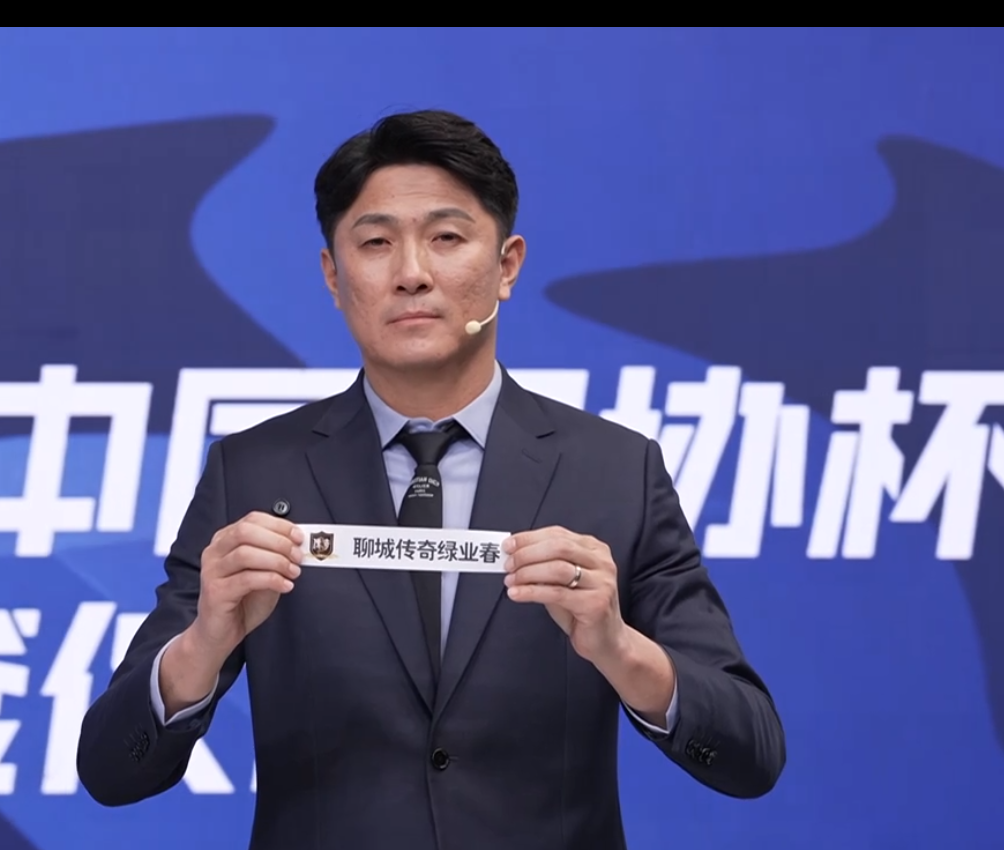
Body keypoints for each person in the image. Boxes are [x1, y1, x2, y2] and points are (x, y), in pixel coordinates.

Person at [76, 109, 785, 849]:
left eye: (446, 238)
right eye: (375, 243)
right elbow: (111, 770)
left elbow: (752, 755)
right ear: (333, 275)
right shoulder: (253, 471)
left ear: (507, 265)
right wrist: (202, 644)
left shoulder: (614, 471)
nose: (411, 273)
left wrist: (619, 648)